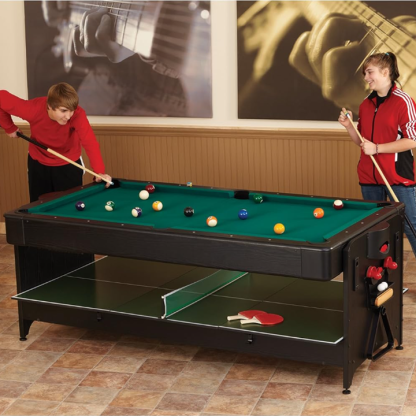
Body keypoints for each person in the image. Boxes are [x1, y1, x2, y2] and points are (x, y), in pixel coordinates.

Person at [338, 52, 416, 256]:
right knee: (375, 230)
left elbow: (412, 140)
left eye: (370, 72)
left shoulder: (403, 101)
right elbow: (362, 143)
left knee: (411, 226)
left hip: (397, 177)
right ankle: (379, 272)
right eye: (365, 73)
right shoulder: (366, 104)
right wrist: (349, 127)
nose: (366, 77)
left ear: (385, 72)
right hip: (369, 178)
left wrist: (378, 148)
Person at [0, 82, 112, 202]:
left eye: (72, 110)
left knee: (70, 207)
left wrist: (99, 172)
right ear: (49, 106)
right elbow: (1, 97)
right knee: (38, 205)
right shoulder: (33, 109)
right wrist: (9, 127)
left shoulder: (78, 115)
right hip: (38, 162)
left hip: (69, 163)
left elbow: (90, 143)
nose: (68, 116)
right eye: (63, 111)